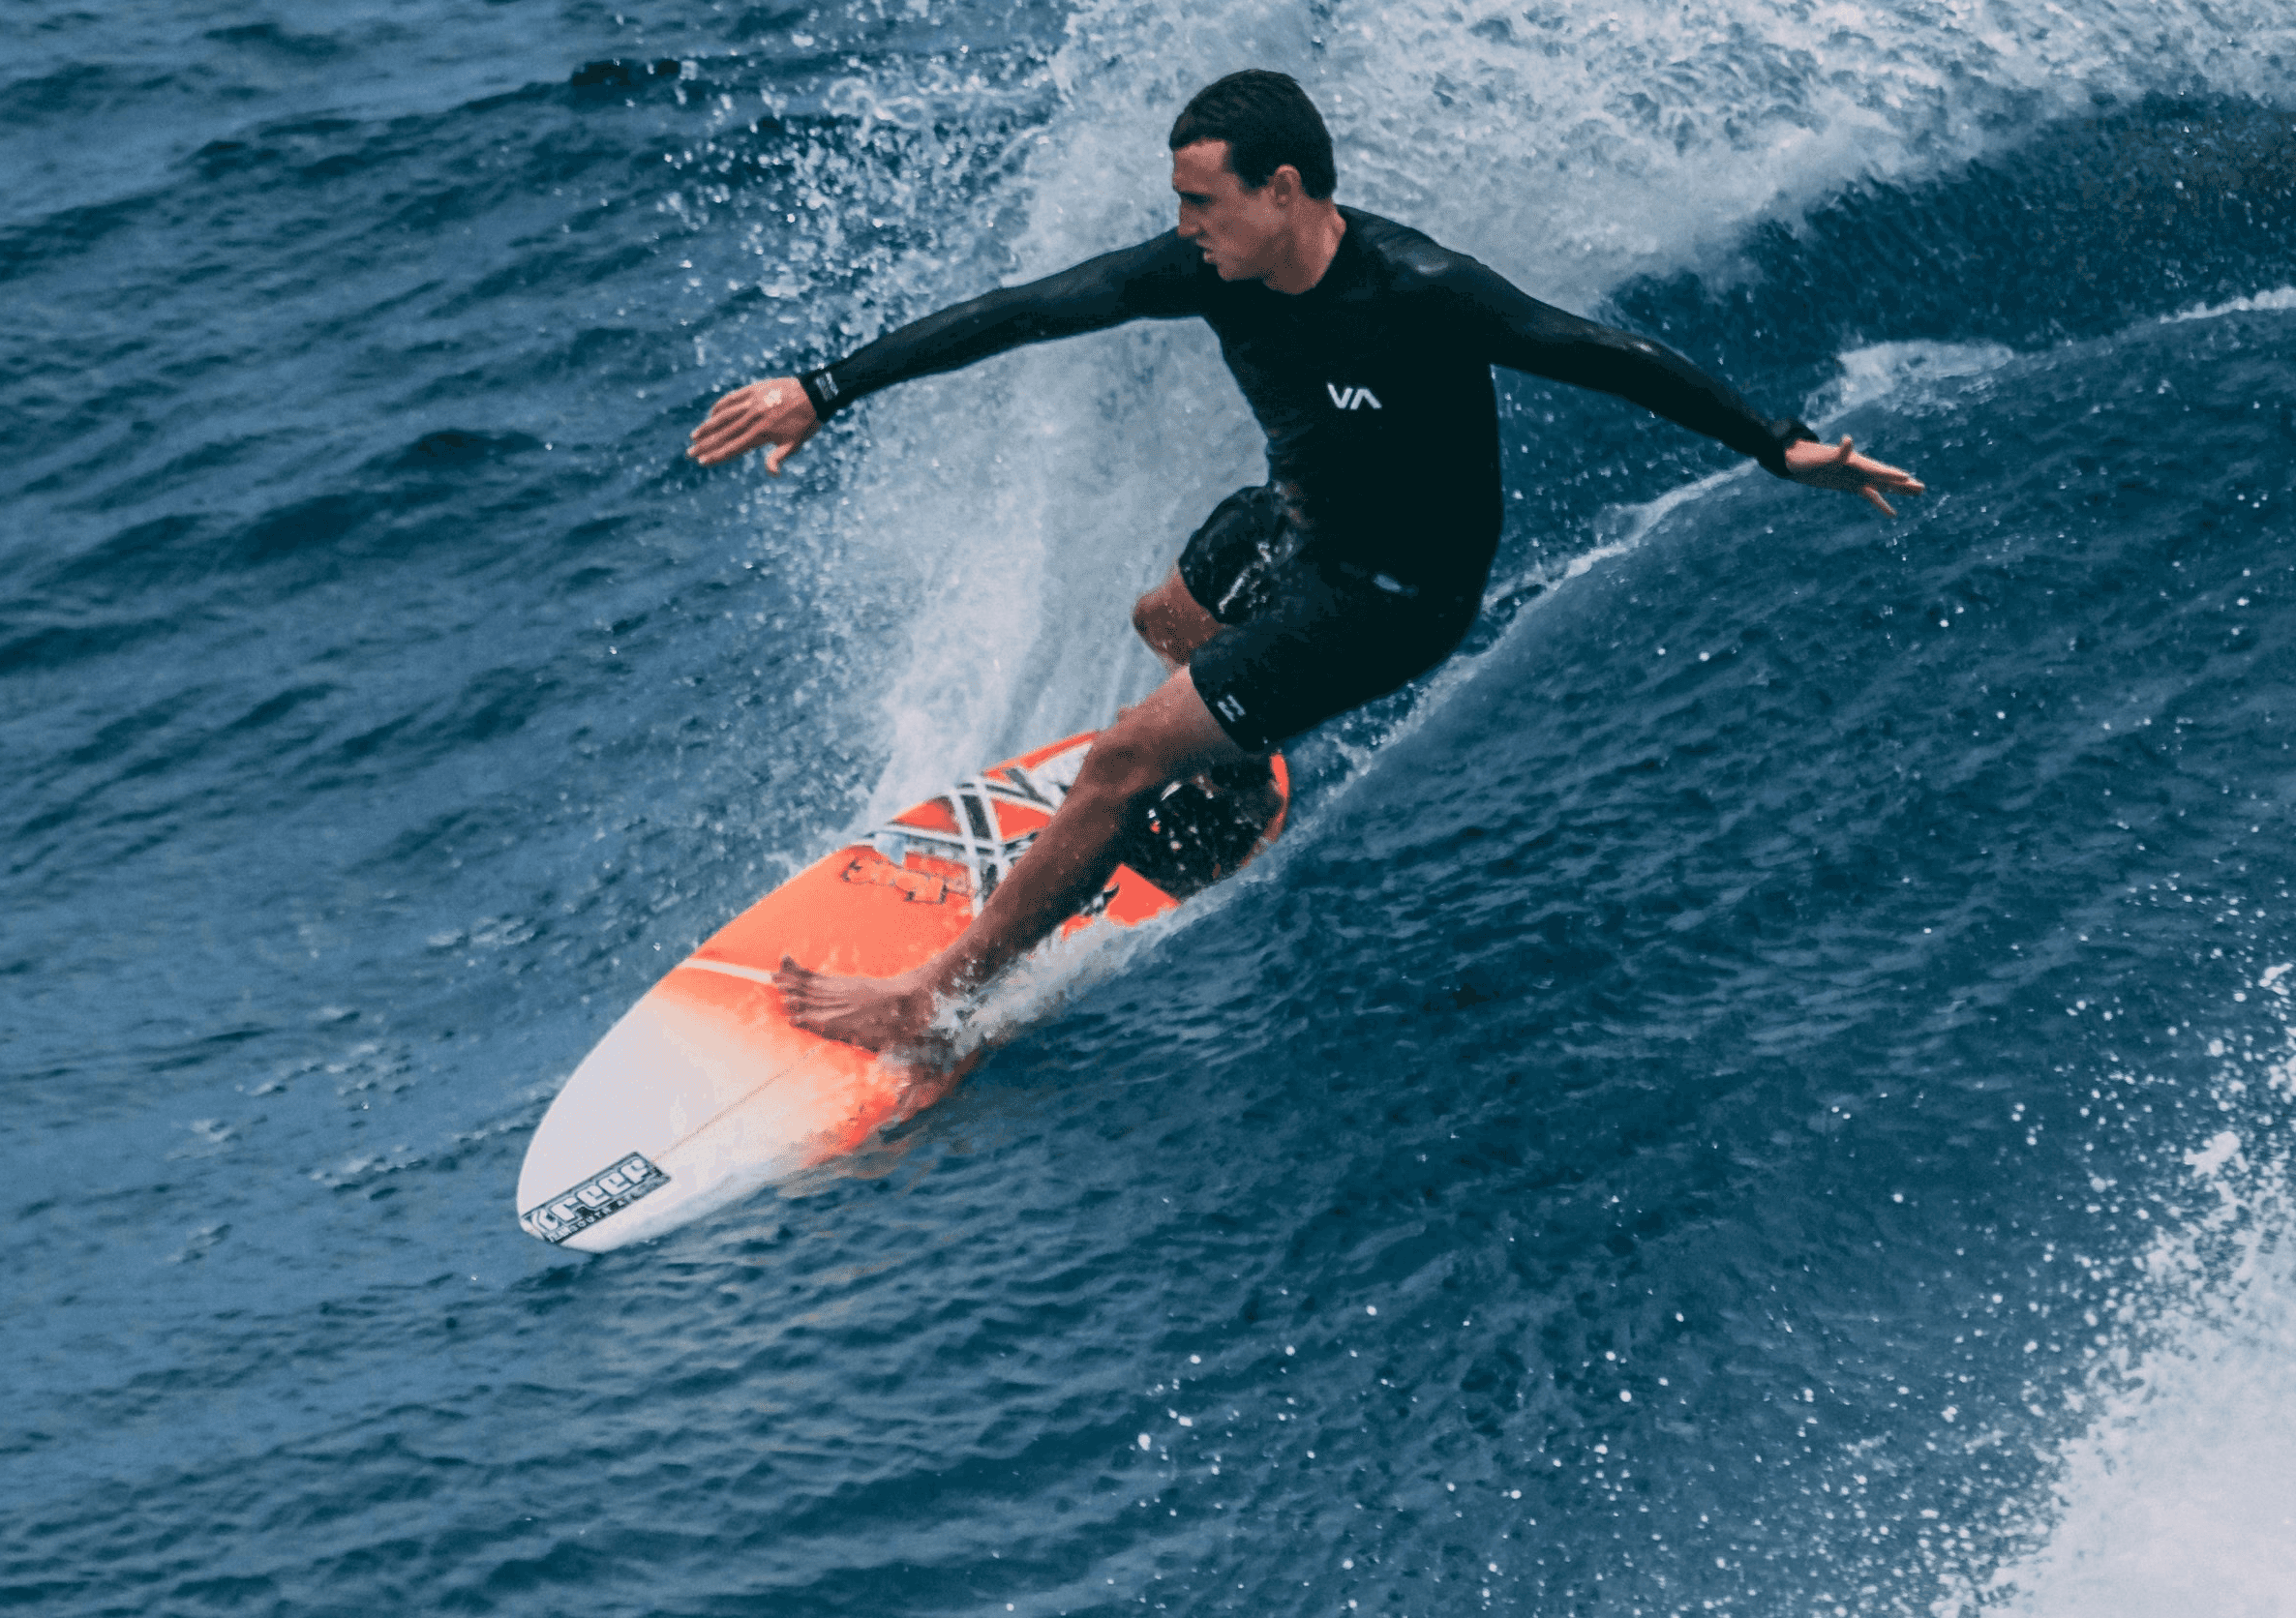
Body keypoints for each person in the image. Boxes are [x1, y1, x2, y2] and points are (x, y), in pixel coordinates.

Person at [688, 70, 1919, 1056]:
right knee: (1164, 616)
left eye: (1201, 204)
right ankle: (1229, 781)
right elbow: (1026, 307)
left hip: (1396, 595)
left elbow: (1599, 351)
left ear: (1281, 190)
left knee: (1122, 757)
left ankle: (928, 1000)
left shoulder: (1420, 289)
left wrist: (1776, 445)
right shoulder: (1209, 270)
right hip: (1302, 519)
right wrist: (824, 387)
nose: (1182, 232)